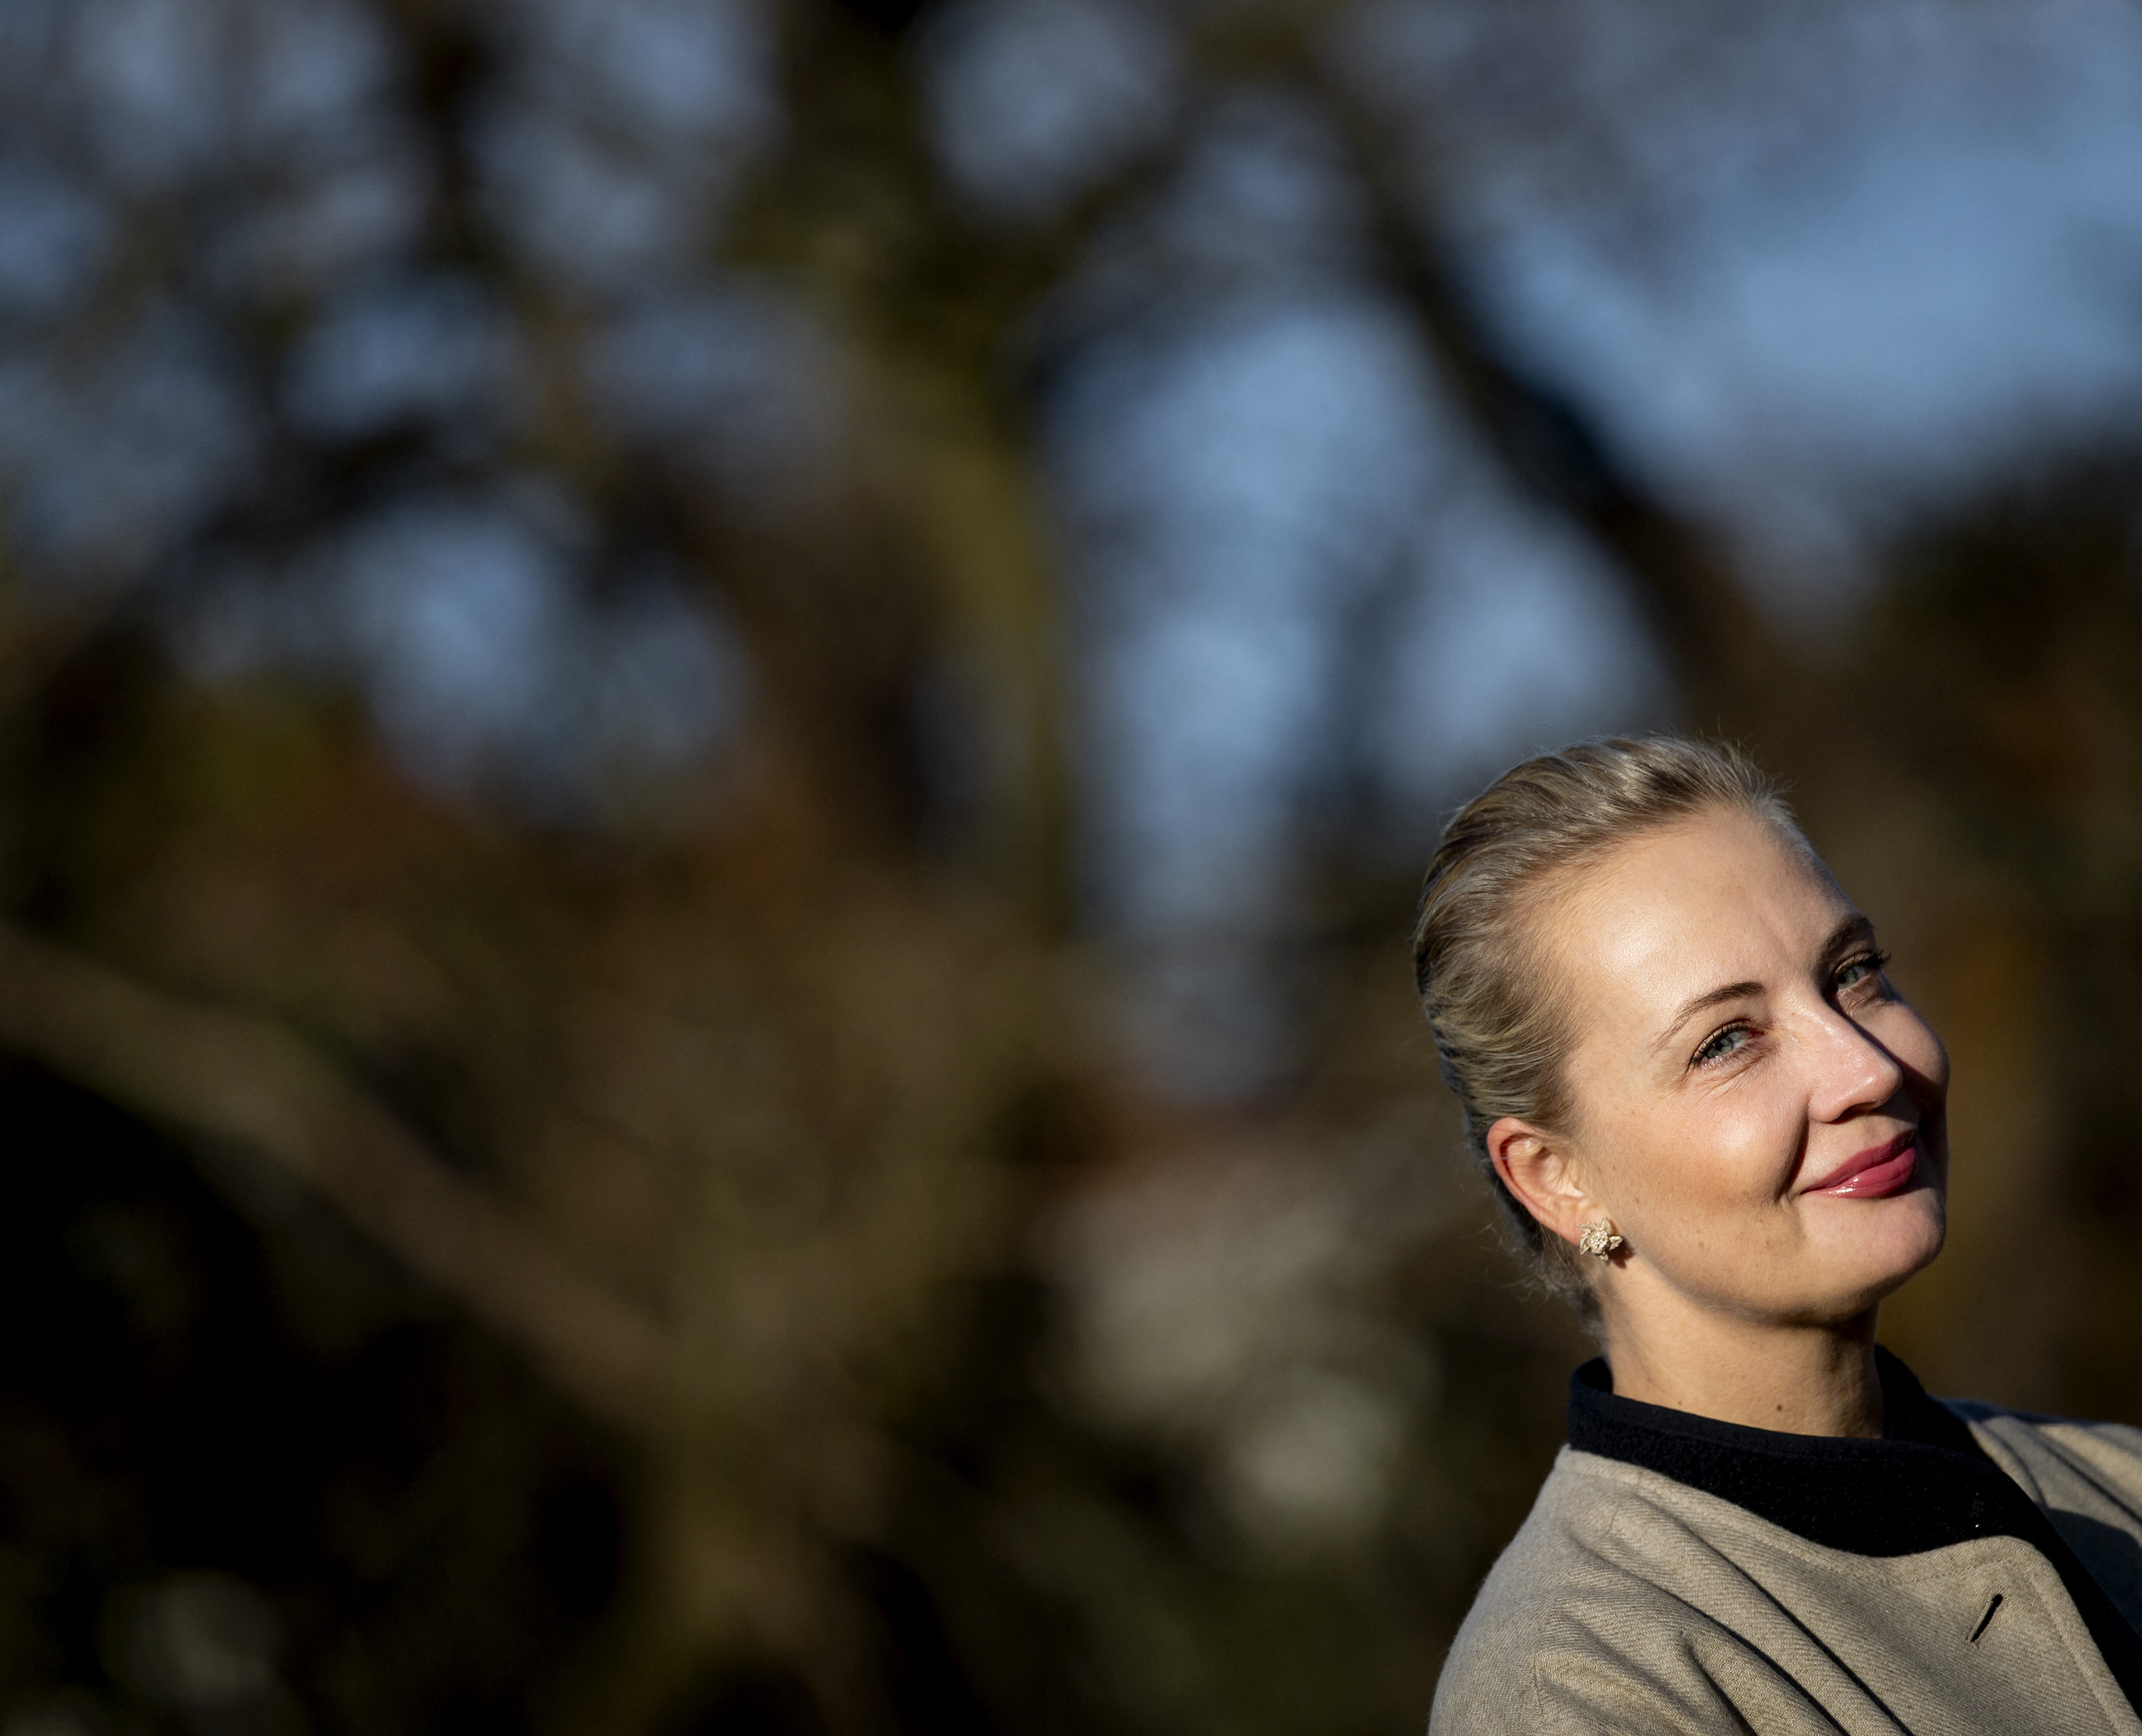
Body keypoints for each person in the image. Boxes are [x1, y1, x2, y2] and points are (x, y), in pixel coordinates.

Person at [1416, 737, 2142, 1735]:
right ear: (1559, 1178)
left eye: (1854, 973)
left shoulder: (2117, 1486)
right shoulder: (1585, 1688)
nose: (1866, 1069)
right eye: (1725, 1039)